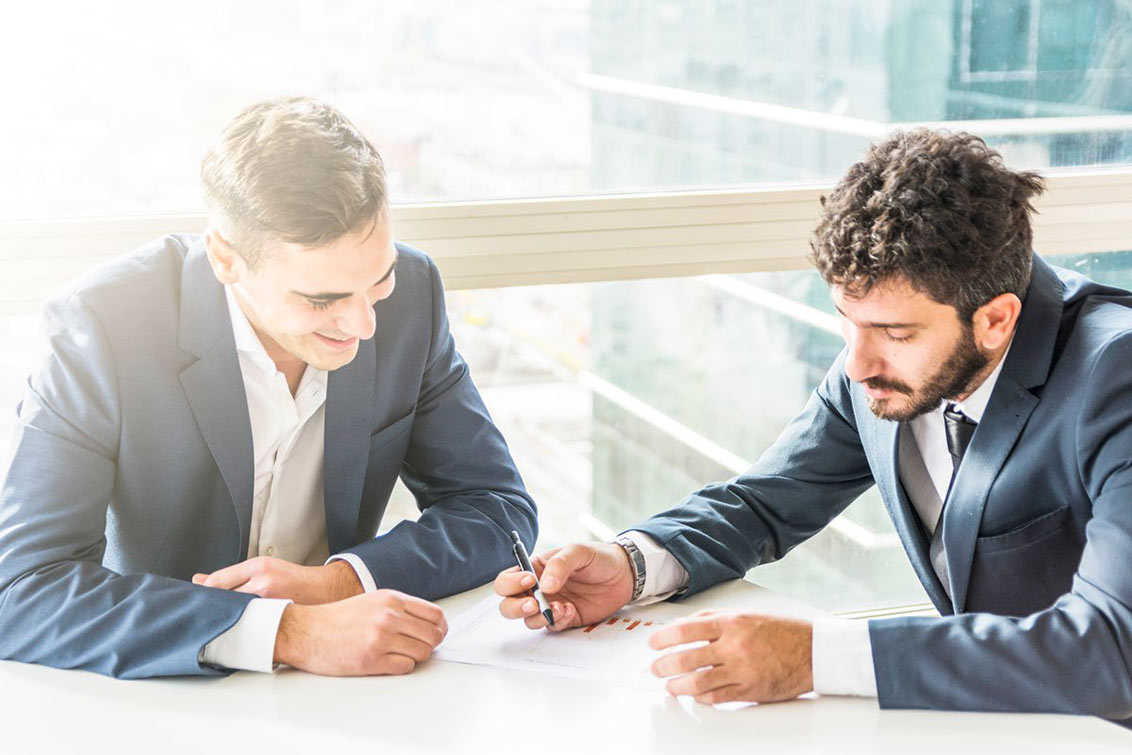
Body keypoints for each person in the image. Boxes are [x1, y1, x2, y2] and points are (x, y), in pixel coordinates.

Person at [495, 129, 1132, 720]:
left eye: (895, 332)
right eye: (846, 321)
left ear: (995, 320)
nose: (856, 363)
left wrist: (814, 657)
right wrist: (629, 565)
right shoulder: (882, 364)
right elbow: (764, 504)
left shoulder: (1116, 376)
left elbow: (1114, 645)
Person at [0, 96, 537, 679]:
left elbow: (496, 509)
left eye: (376, 281)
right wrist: (287, 631)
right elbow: (21, 589)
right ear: (226, 259)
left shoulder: (413, 294)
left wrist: (336, 583)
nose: (364, 326)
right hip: (154, 689)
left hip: (347, 692)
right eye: (322, 299)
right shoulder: (102, 324)